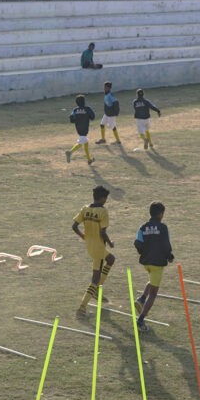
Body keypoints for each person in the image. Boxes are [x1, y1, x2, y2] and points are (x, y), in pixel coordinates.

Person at [71, 185, 115, 316]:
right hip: (99, 247)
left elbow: (74, 226)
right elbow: (103, 232)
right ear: (102, 198)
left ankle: (96, 291)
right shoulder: (103, 212)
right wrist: (110, 243)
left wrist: (82, 235)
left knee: (110, 260)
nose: (106, 201)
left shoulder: (85, 209)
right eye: (106, 198)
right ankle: (82, 307)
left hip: (89, 245)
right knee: (96, 278)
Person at [133, 201, 173, 329]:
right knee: (154, 294)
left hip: (146, 262)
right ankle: (140, 320)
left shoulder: (142, 227)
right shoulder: (162, 227)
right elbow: (166, 245)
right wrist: (169, 256)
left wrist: (143, 252)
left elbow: (137, 243)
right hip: (157, 263)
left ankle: (142, 299)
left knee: (152, 281)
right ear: (161, 214)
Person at [66, 96, 97, 164]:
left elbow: (72, 120)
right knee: (80, 142)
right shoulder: (87, 109)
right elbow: (93, 117)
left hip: (78, 128)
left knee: (85, 142)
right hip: (85, 128)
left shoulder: (75, 110)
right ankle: (70, 152)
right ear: (84, 102)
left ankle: (89, 160)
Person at [98, 82, 124, 146]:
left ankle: (118, 141)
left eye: (105, 87)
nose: (104, 88)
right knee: (102, 124)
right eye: (104, 87)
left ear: (109, 88)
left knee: (113, 127)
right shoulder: (106, 94)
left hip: (111, 114)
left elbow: (116, 102)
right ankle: (103, 139)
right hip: (107, 114)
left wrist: (116, 113)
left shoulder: (110, 95)